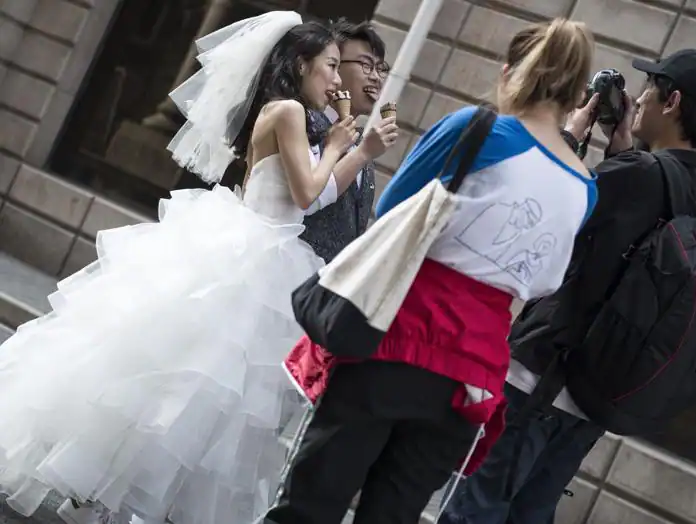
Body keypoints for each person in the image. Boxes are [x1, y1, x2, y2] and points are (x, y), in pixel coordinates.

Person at [0, 11, 397, 524]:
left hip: (259, 249)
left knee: (181, 385)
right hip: (256, 256)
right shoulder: (290, 113)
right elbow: (305, 194)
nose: (336, 78)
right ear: (301, 65)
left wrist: (352, 146)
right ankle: (109, 494)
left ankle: (106, 493)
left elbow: (312, 193)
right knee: (196, 389)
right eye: (329, 66)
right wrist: (346, 146)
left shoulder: (284, 111)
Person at [264, 18, 597, 524]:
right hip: (475, 372)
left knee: (311, 502)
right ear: (577, 96)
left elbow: (396, 207)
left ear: (511, 75)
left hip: (398, 333)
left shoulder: (478, 129)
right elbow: (547, 280)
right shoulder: (585, 187)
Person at [438, 48, 696, 524]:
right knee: (530, 513)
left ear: (672, 101)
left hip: (542, 377)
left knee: (474, 509)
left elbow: (545, 209)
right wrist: (621, 153)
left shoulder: (638, 174)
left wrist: (571, 136)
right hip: (595, 399)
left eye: (649, 90)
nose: (638, 100)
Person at [301, 19, 390, 262]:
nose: (376, 78)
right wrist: (362, 153)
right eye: (365, 65)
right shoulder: (303, 119)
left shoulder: (362, 141)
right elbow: (304, 200)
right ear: (333, 65)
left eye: (381, 69)